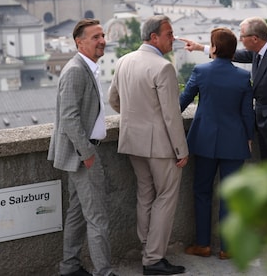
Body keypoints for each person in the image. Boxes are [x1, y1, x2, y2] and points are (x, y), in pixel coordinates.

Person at [180, 17, 267, 185]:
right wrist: (201, 48)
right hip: (265, 123)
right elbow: (232, 54)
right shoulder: (260, 51)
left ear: (254, 38)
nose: (239, 39)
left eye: (242, 35)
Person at [108, 15, 188, 276]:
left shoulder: (123, 61)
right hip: (160, 146)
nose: (172, 38)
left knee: (145, 194)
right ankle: (154, 259)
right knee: (165, 197)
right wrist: (181, 149)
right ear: (154, 37)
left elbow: (114, 100)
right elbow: (171, 115)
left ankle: (147, 248)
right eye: (169, 34)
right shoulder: (163, 67)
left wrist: (135, 119)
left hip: (132, 140)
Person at [47, 19, 118, 276]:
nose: (102, 41)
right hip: (83, 155)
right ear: (80, 42)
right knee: (97, 217)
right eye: (95, 37)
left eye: (102, 35)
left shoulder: (87, 67)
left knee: (77, 213)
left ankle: (70, 266)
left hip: (80, 154)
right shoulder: (76, 69)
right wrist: (87, 154)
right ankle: (104, 272)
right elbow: (69, 117)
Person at [179, 27, 255, 260]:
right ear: (233, 51)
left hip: (204, 141)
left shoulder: (200, 71)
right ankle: (227, 247)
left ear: (213, 48)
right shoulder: (243, 77)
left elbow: (181, 103)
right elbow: (247, 114)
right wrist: (249, 138)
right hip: (234, 142)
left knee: (202, 192)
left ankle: (202, 244)